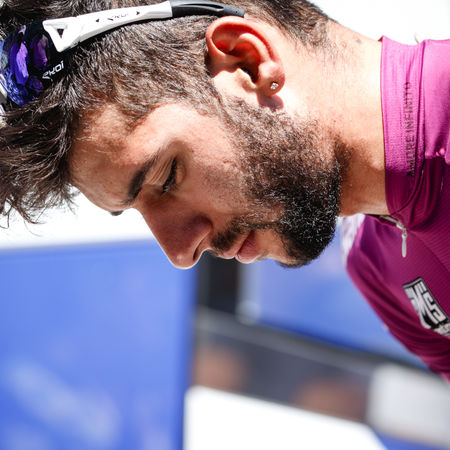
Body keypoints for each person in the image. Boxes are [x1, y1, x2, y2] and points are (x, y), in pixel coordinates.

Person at [0, 0, 448, 381]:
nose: (180, 253)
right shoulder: (374, 264)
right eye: (136, 211)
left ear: (248, 60)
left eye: (166, 177)